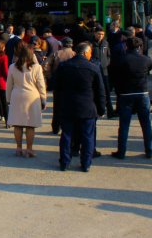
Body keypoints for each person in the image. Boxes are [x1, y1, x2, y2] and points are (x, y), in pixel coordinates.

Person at [55, 42, 106, 172]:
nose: (91, 55)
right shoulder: (93, 68)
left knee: (66, 135)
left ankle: (64, 162)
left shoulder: (63, 66)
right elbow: (100, 91)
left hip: (67, 106)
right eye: (90, 53)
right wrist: (101, 109)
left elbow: (57, 89)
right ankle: (86, 163)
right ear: (85, 53)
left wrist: (58, 108)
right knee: (87, 137)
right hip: (87, 108)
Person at [111, 37, 152, 159]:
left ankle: (121, 151)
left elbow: (114, 74)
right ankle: (149, 150)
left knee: (124, 124)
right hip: (142, 93)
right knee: (146, 124)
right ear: (140, 47)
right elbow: (149, 69)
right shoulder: (146, 60)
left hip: (125, 94)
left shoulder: (121, 60)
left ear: (126, 46)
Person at [6, 46, 46, 157]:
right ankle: (29, 149)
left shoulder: (12, 67)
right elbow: (41, 85)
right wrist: (43, 99)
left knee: (17, 124)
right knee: (30, 125)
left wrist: (8, 99)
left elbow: (9, 84)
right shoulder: (37, 67)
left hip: (17, 95)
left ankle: (18, 148)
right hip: (32, 96)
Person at [49, 37, 76, 134]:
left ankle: (56, 127)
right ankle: (68, 127)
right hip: (71, 83)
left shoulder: (56, 53)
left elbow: (46, 66)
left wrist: (51, 76)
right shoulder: (74, 54)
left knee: (57, 106)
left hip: (58, 82)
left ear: (62, 44)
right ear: (71, 45)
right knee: (70, 106)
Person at [92, 27, 115, 118]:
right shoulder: (91, 43)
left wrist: (106, 63)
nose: (100, 36)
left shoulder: (106, 43)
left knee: (106, 92)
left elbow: (109, 55)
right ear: (95, 34)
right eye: (99, 34)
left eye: (102, 34)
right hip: (94, 70)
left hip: (104, 71)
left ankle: (110, 112)